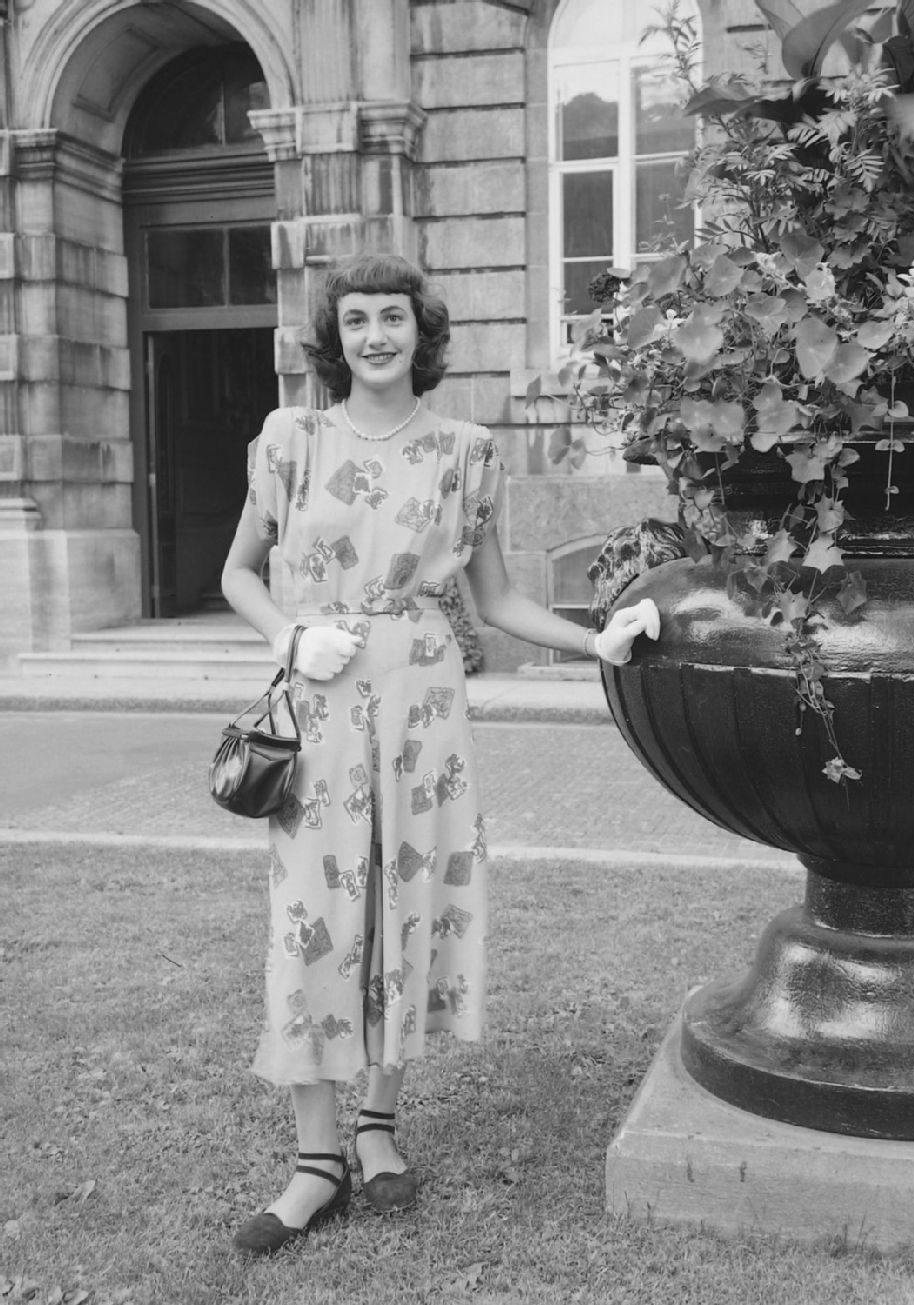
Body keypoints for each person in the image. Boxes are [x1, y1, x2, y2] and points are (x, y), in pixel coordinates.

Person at [221, 252, 659, 1256]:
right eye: (357, 319)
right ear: (335, 338)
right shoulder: (292, 439)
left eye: (393, 317)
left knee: (404, 904)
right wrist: (289, 636)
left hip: (424, 710)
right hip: (321, 706)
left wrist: (593, 640)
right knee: (314, 920)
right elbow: (239, 572)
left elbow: (494, 599)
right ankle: (315, 1160)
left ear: (422, 332)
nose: (375, 335)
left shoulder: (466, 451)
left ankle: (377, 1126)